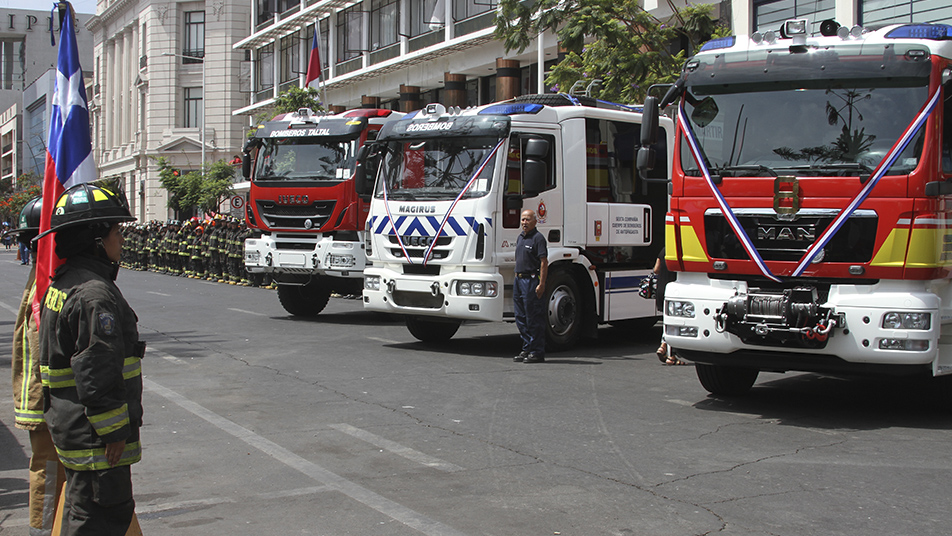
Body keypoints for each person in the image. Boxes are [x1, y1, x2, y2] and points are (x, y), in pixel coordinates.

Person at [37, 181, 145, 536]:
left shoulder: (65, 282)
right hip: (97, 438)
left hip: (74, 426)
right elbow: (96, 368)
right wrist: (114, 430)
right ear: (96, 239)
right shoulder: (93, 295)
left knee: (80, 513)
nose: (121, 239)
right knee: (101, 518)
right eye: (116, 231)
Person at [11, 196, 67, 536]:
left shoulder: (40, 278)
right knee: (48, 477)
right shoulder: (46, 285)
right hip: (45, 405)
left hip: (39, 402)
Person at [513, 209, 548, 363]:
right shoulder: (520, 238)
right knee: (520, 317)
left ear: (535, 221)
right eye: (522, 220)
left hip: (531, 281)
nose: (524, 223)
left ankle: (537, 351)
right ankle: (527, 347)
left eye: (527, 220)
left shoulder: (538, 238)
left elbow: (543, 262)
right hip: (518, 281)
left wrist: (541, 284)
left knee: (533, 317)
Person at [653, 247, 686, 365]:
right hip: (674, 291)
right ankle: (671, 356)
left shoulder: (663, 250)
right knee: (674, 323)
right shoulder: (682, 251)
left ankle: (663, 347)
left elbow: (656, 269)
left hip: (661, 289)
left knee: (667, 321)